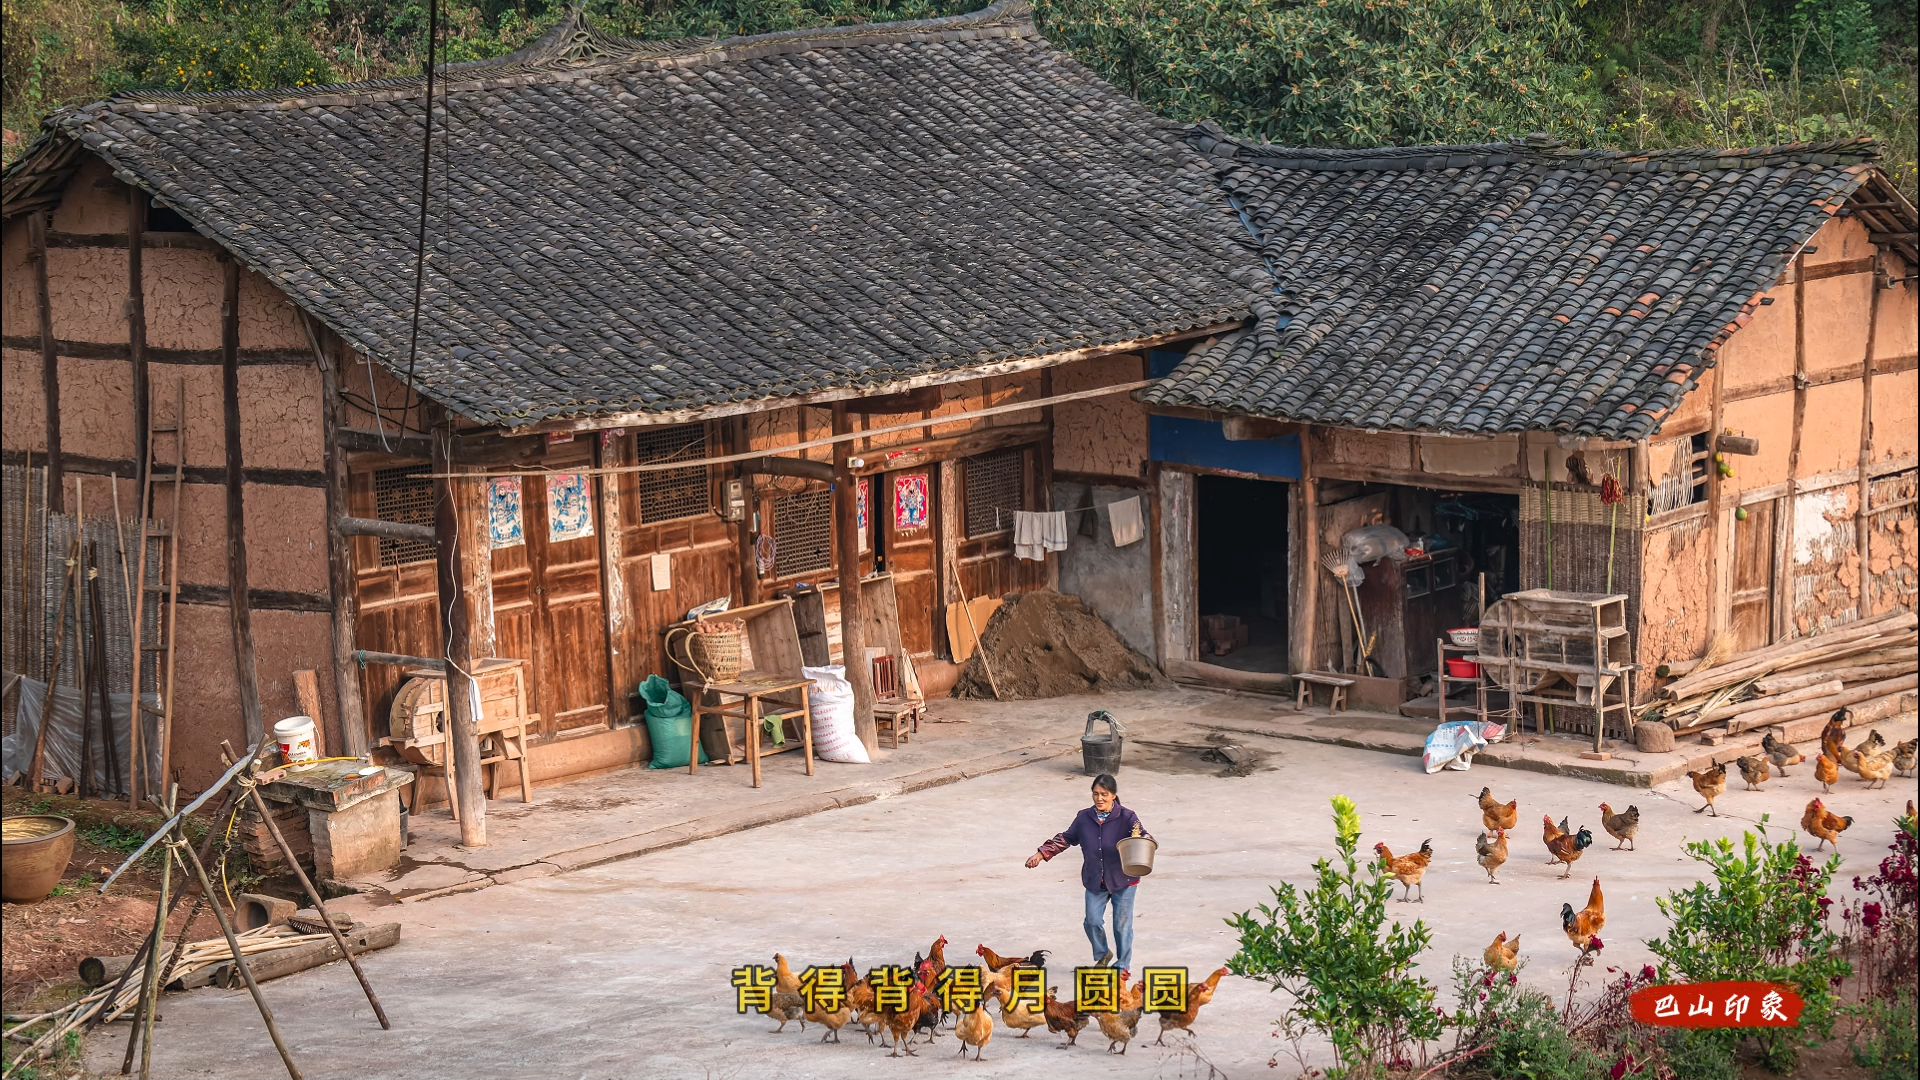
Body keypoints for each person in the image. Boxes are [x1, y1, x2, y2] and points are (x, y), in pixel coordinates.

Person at [1025, 773, 1152, 980]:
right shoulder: (1084, 817)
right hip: (1095, 880)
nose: (1099, 798)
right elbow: (1066, 838)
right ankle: (1103, 955)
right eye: (1095, 794)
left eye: (1104, 794)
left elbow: (1144, 837)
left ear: (1114, 795)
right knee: (1092, 921)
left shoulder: (1128, 817)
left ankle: (1122, 966)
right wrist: (1041, 854)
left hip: (1123, 880)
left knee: (1122, 925)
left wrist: (1142, 841)